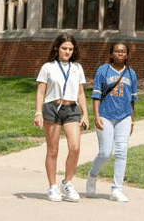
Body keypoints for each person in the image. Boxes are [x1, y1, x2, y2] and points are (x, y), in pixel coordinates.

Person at [33, 33, 89, 202]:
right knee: (53, 150)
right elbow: (41, 91)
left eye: (71, 49)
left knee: (75, 147)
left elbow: (80, 93)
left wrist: (85, 113)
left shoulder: (77, 68)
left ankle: (67, 182)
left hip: (71, 109)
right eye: (64, 48)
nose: (67, 52)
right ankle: (52, 186)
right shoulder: (48, 67)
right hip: (52, 108)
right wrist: (38, 112)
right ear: (57, 48)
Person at [85, 41, 137, 202]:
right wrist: (96, 115)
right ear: (111, 54)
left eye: (123, 51)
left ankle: (116, 189)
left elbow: (132, 100)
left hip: (124, 117)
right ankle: (92, 176)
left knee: (122, 152)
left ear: (127, 55)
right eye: (117, 51)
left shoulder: (131, 73)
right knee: (105, 153)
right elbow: (96, 96)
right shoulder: (103, 70)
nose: (120, 53)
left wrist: (132, 121)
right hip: (105, 116)